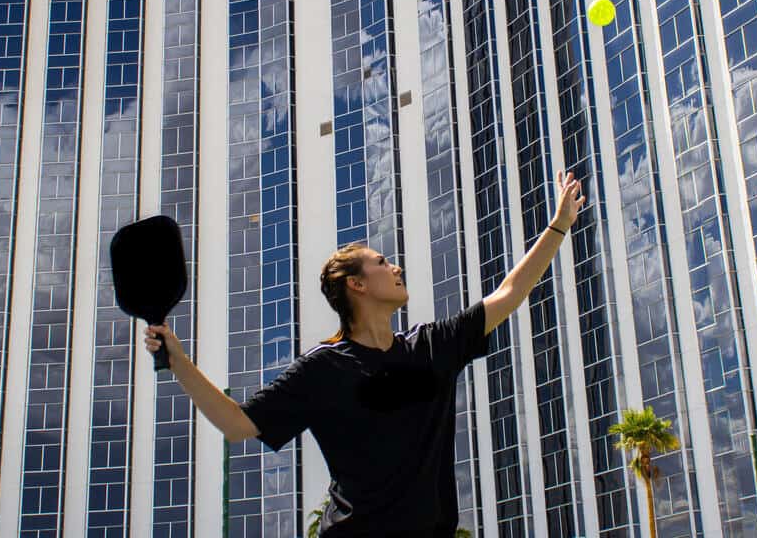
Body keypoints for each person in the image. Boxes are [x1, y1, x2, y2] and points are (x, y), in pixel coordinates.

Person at [144, 170, 585, 537]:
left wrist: (559, 225)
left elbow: (509, 295)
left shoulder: (432, 346)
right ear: (355, 284)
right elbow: (237, 424)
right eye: (381, 262)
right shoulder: (323, 367)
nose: (395, 267)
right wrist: (180, 362)